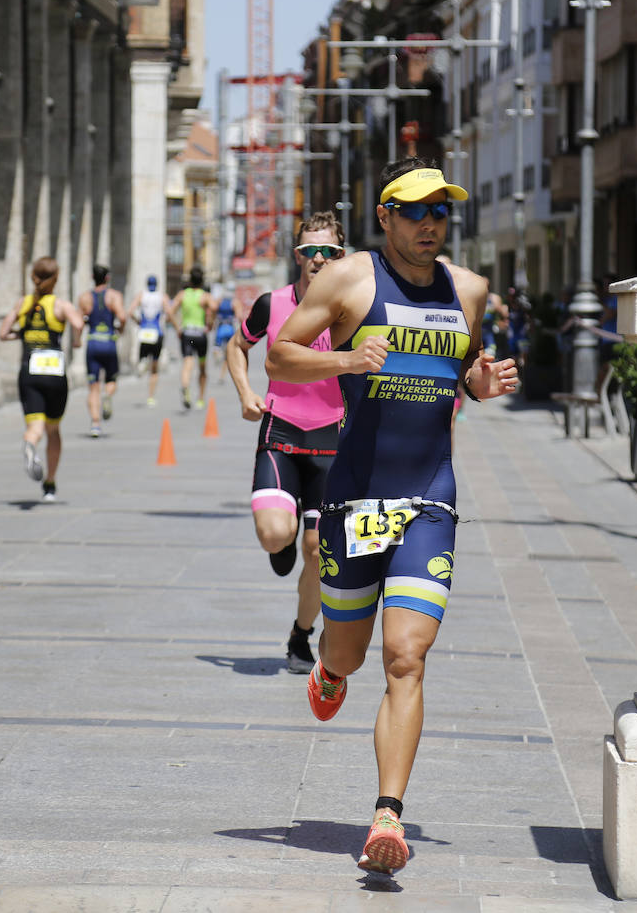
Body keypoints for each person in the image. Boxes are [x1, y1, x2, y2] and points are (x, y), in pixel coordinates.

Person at [265, 158, 519, 874]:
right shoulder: (348, 280)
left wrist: (481, 382)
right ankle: (329, 668)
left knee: (406, 656)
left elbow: (462, 369)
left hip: (429, 497)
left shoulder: (468, 289)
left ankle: (387, 816)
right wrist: (345, 362)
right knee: (348, 653)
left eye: (440, 210)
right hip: (354, 499)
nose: (429, 223)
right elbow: (280, 358)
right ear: (384, 216)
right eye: (414, 210)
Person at [227, 211, 347, 675]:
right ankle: (282, 538)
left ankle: (301, 634)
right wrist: (245, 394)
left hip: (332, 441)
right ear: (297, 255)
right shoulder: (272, 304)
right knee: (276, 535)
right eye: (309, 250)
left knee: (319, 552)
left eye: (328, 251)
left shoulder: (352, 311)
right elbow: (237, 346)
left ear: (341, 255)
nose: (318, 258)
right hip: (281, 431)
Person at [0, 256, 82, 502]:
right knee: (53, 429)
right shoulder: (60, 305)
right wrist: (76, 341)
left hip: (29, 371)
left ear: (33, 277)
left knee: (35, 427)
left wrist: (23, 335)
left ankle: (30, 444)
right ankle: (50, 483)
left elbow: (3, 333)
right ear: (55, 279)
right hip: (54, 372)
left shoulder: (23, 304)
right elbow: (78, 323)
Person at [78, 263, 124, 438]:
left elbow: (78, 323)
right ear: (107, 278)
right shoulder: (114, 296)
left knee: (93, 387)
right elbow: (122, 317)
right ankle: (108, 395)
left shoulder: (84, 298)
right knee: (111, 379)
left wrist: (77, 340)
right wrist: (120, 329)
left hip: (93, 343)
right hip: (109, 343)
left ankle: (95, 424)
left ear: (92, 277)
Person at [169, 265, 213, 409]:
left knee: (187, 363)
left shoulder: (182, 294)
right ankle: (200, 398)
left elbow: (170, 312)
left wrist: (178, 328)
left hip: (187, 333)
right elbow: (213, 307)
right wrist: (210, 323)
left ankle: (185, 387)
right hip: (200, 334)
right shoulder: (205, 296)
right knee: (202, 367)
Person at [128, 275, 166, 405]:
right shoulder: (161, 297)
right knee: (154, 369)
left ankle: (142, 363)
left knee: (143, 357)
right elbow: (170, 312)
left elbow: (130, 311)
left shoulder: (141, 296)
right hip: (157, 332)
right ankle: (151, 396)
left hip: (144, 332)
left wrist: (138, 321)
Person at [212, 284, 238, 384]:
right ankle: (222, 375)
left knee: (216, 348)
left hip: (220, 329)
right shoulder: (235, 302)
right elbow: (239, 316)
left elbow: (213, 311)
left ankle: (217, 355)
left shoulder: (219, 301)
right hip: (230, 329)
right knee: (228, 355)